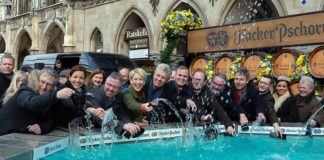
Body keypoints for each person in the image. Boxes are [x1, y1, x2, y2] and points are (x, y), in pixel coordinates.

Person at [0, 69, 74, 135]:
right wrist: (55, 95)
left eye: (49, 85)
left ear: (53, 87)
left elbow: (51, 120)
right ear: (37, 80)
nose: (44, 87)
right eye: (42, 82)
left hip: (19, 137)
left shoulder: (49, 98)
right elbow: (30, 102)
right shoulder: (25, 89)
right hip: (4, 135)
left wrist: (42, 127)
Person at [86, 72, 143, 136]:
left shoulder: (119, 94)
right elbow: (101, 119)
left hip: (111, 129)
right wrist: (123, 125)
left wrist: (130, 124)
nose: (111, 89)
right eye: (109, 84)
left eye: (115, 87)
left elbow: (122, 113)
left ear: (119, 89)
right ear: (105, 83)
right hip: (91, 131)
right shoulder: (93, 95)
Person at [191, 70, 235, 135]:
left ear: (204, 82)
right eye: (195, 79)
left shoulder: (206, 93)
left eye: (199, 80)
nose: (197, 82)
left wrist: (228, 125)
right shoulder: (187, 87)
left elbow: (217, 108)